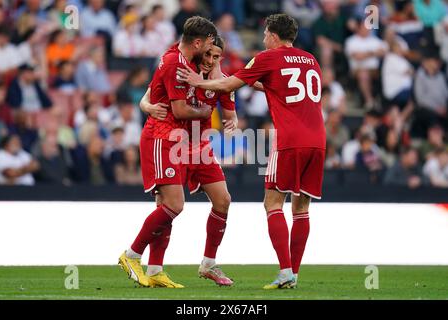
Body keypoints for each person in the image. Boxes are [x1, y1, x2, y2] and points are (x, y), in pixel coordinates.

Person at [177, 13, 326, 289]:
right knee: (302, 209)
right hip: (318, 139)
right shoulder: (311, 60)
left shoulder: (268, 57)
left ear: (272, 35)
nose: (263, 39)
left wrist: (198, 82)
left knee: (273, 203)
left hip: (290, 139)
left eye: (265, 34)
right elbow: (283, 88)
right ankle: (293, 273)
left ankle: (284, 272)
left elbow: (228, 85)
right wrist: (253, 82)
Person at [118, 16, 217, 289]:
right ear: (196, 42)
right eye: (208, 44)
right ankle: (131, 255)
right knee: (175, 205)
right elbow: (180, 110)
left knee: (165, 207)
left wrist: (145, 104)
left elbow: (150, 93)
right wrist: (205, 111)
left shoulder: (176, 53)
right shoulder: (175, 63)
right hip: (163, 138)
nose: (211, 50)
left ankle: (156, 269)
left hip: (175, 139)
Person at [142, 36, 238, 286]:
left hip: (201, 146)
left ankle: (209, 263)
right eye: (207, 55)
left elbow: (231, 114)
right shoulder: (183, 69)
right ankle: (154, 268)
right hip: (175, 141)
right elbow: (150, 94)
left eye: (216, 57)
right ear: (199, 51)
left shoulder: (223, 81)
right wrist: (146, 106)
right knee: (167, 206)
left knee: (223, 200)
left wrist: (232, 120)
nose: (210, 61)